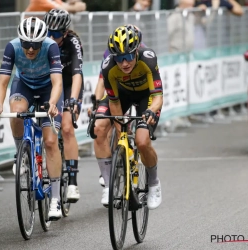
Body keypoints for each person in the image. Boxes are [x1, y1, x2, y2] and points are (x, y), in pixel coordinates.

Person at [0, 17, 64, 221]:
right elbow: (3, 82)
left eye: (35, 45)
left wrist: (53, 103)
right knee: (16, 111)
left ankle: (56, 199)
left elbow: (58, 82)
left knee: (50, 141)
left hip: (49, 88)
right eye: (26, 45)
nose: (30, 49)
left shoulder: (50, 48)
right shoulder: (12, 47)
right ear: (20, 41)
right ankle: (22, 153)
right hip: (24, 85)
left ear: (43, 41)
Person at [93, 25, 163, 210]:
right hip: (121, 96)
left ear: (137, 51)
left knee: (142, 141)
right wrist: (121, 129)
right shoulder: (108, 67)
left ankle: (154, 183)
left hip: (145, 97)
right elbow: (114, 102)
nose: (124, 63)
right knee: (98, 127)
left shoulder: (148, 58)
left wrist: (150, 111)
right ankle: (109, 186)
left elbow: (157, 97)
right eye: (119, 58)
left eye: (128, 57)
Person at [91, 25, 147, 187]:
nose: (124, 61)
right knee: (106, 124)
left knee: (133, 127)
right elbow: (102, 80)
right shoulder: (109, 55)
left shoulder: (142, 54)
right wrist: (95, 103)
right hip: (118, 90)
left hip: (139, 90)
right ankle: (111, 166)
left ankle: (133, 155)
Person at [44, 9, 84, 203]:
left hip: (69, 84)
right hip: (49, 84)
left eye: (57, 34)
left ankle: (73, 182)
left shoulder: (73, 43)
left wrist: (74, 100)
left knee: (67, 128)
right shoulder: (41, 41)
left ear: (65, 33)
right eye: (48, 32)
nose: (52, 37)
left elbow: (77, 74)